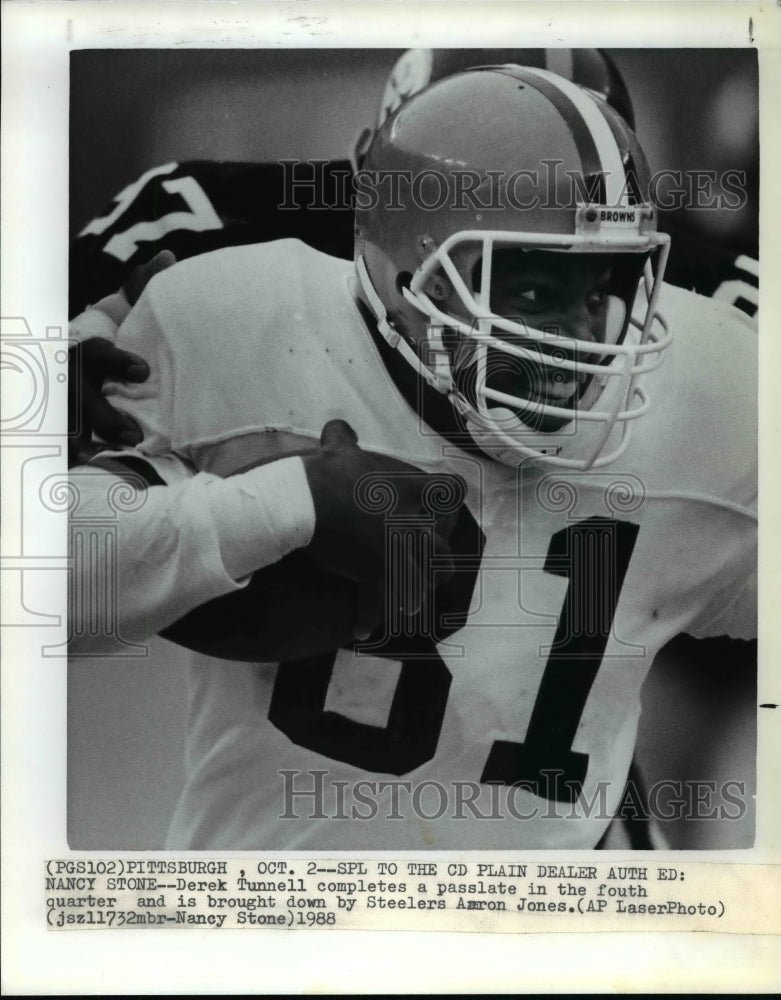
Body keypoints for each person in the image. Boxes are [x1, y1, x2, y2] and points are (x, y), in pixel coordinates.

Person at [69, 66, 756, 850]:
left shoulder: (709, 383)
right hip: (278, 925)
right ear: (403, 270)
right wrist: (289, 505)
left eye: (599, 288)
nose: (576, 341)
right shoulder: (234, 316)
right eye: (531, 291)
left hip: (560, 933)